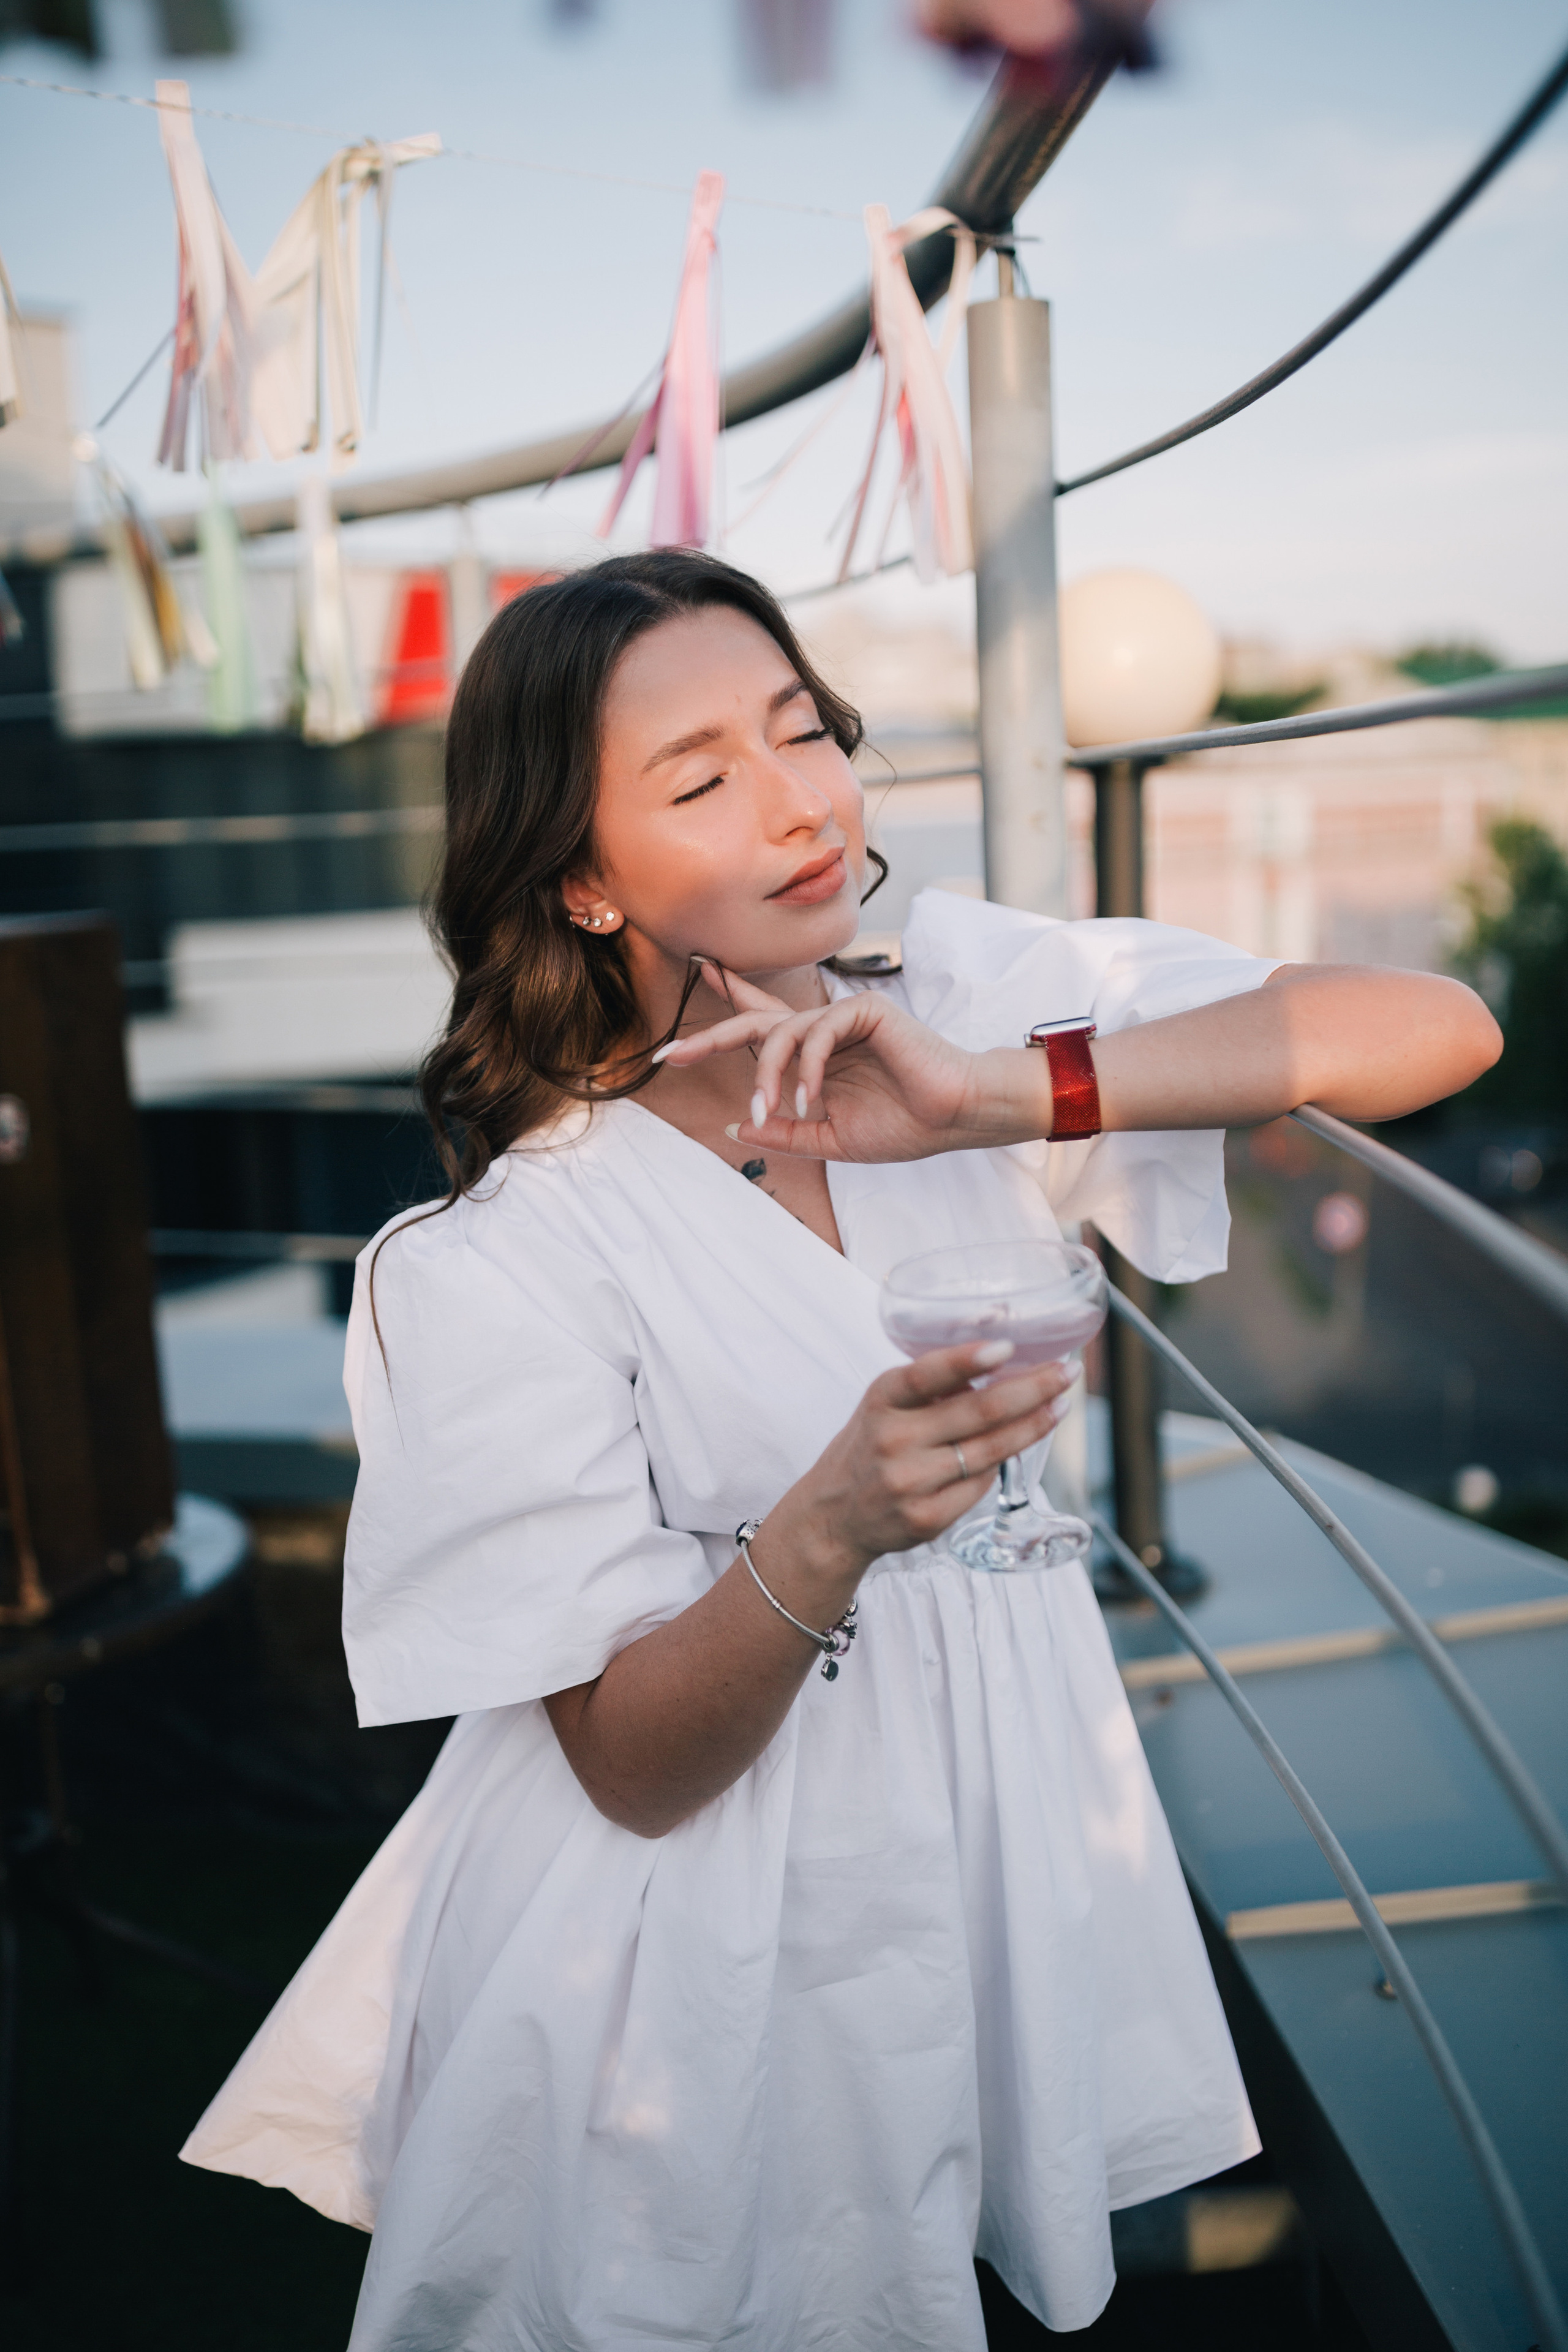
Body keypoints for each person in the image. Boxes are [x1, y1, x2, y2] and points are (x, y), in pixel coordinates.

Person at [182, 551, 1499, 2350]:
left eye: (803, 728)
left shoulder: (951, 979)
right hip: (688, 1942)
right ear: (580, 879)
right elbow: (634, 1774)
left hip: (976, 1839)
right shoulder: (506, 1258)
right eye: (702, 777)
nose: (799, 801)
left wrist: (995, 1092)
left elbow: (1438, 1029)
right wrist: (832, 1526)